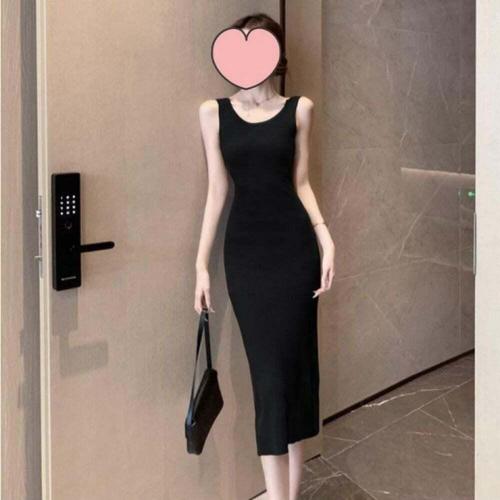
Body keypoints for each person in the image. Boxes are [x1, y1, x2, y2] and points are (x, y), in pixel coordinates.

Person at [194, 12, 335, 500]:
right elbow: (217, 190)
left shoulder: (300, 109)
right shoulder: (213, 113)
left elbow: (301, 182)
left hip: (295, 253)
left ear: (277, 56)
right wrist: (200, 265)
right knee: (269, 382)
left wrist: (325, 237)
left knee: (292, 377)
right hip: (247, 258)